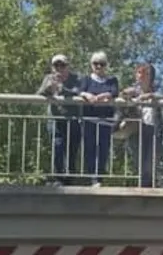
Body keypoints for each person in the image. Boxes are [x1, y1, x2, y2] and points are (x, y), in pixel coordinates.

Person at [36, 54, 82, 186]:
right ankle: (59, 178)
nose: (59, 68)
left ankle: (70, 179)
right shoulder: (49, 78)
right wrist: (48, 89)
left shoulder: (76, 78)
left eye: (62, 65)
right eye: (56, 65)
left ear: (68, 66)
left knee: (72, 151)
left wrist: (63, 88)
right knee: (57, 148)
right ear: (52, 67)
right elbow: (39, 94)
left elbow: (78, 92)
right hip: (55, 120)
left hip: (73, 120)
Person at [77, 51, 120, 186]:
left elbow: (114, 91)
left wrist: (102, 96)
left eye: (102, 64)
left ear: (106, 65)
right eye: (96, 64)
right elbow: (79, 90)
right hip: (89, 119)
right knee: (90, 149)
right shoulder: (86, 79)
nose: (98, 67)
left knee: (103, 150)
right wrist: (87, 95)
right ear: (91, 65)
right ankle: (92, 178)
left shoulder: (111, 80)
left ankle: (99, 178)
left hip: (106, 121)